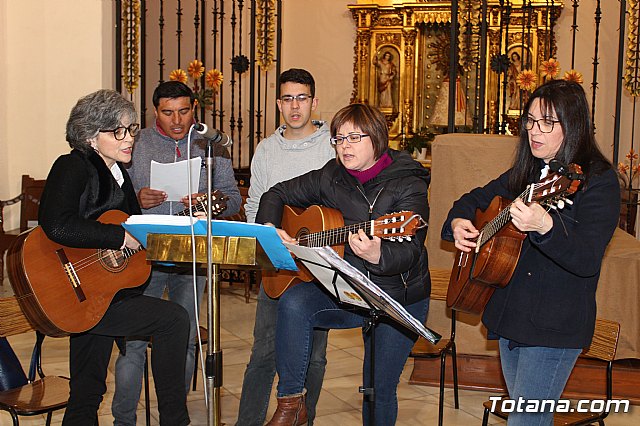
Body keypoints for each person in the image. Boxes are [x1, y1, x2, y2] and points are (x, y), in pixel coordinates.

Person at [442, 79, 620, 426]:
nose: (534, 131)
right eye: (530, 121)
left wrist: (546, 227)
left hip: (553, 326)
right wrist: (459, 221)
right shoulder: (528, 171)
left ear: (574, 124)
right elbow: (472, 200)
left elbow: (586, 259)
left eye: (547, 123)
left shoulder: (600, 181)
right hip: (510, 316)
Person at [257, 103, 431, 425]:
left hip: (396, 294)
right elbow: (276, 193)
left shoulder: (410, 184)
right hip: (348, 288)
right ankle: (291, 403)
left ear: (377, 138)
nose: (344, 146)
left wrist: (379, 254)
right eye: (338, 139)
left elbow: (412, 250)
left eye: (353, 137)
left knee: (378, 389)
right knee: (293, 303)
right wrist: (270, 227)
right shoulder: (331, 175)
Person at [38, 89, 190, 425]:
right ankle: (176, 421)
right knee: (173, 320)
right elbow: (56, 223)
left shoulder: (117, 175)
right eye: (117, 131)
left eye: (131, 129)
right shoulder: (73, 165)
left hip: (97, 291)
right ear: (91, 137)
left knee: (87, 390)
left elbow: (129, 232)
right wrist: (117, 237)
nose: (129, 139)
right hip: (74, 290)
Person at [113, 80, 241, 425]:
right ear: (155, 112)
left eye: (184, 111)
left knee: (184, 339)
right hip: (145, 255)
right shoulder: (135, 143)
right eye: (168, 113)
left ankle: (174, 416)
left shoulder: (209, 144)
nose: (177, 120)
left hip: (192, 257)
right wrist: (136, 199)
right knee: (133, 344)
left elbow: (233, 197)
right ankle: (122, 419)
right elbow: (112, 197)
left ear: (194, 109)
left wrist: (211, 203)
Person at [236, 68, 336, 425]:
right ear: (278, 104)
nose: (295, 106)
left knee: (316, 356)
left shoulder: (333, 146)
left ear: (314, 102)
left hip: (319, 267)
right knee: (263, 351)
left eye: (302, 98)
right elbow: (254, 206)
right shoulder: (266, 149)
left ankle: (300, 421)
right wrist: (262, 244)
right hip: (276, 264)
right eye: (288, 99)